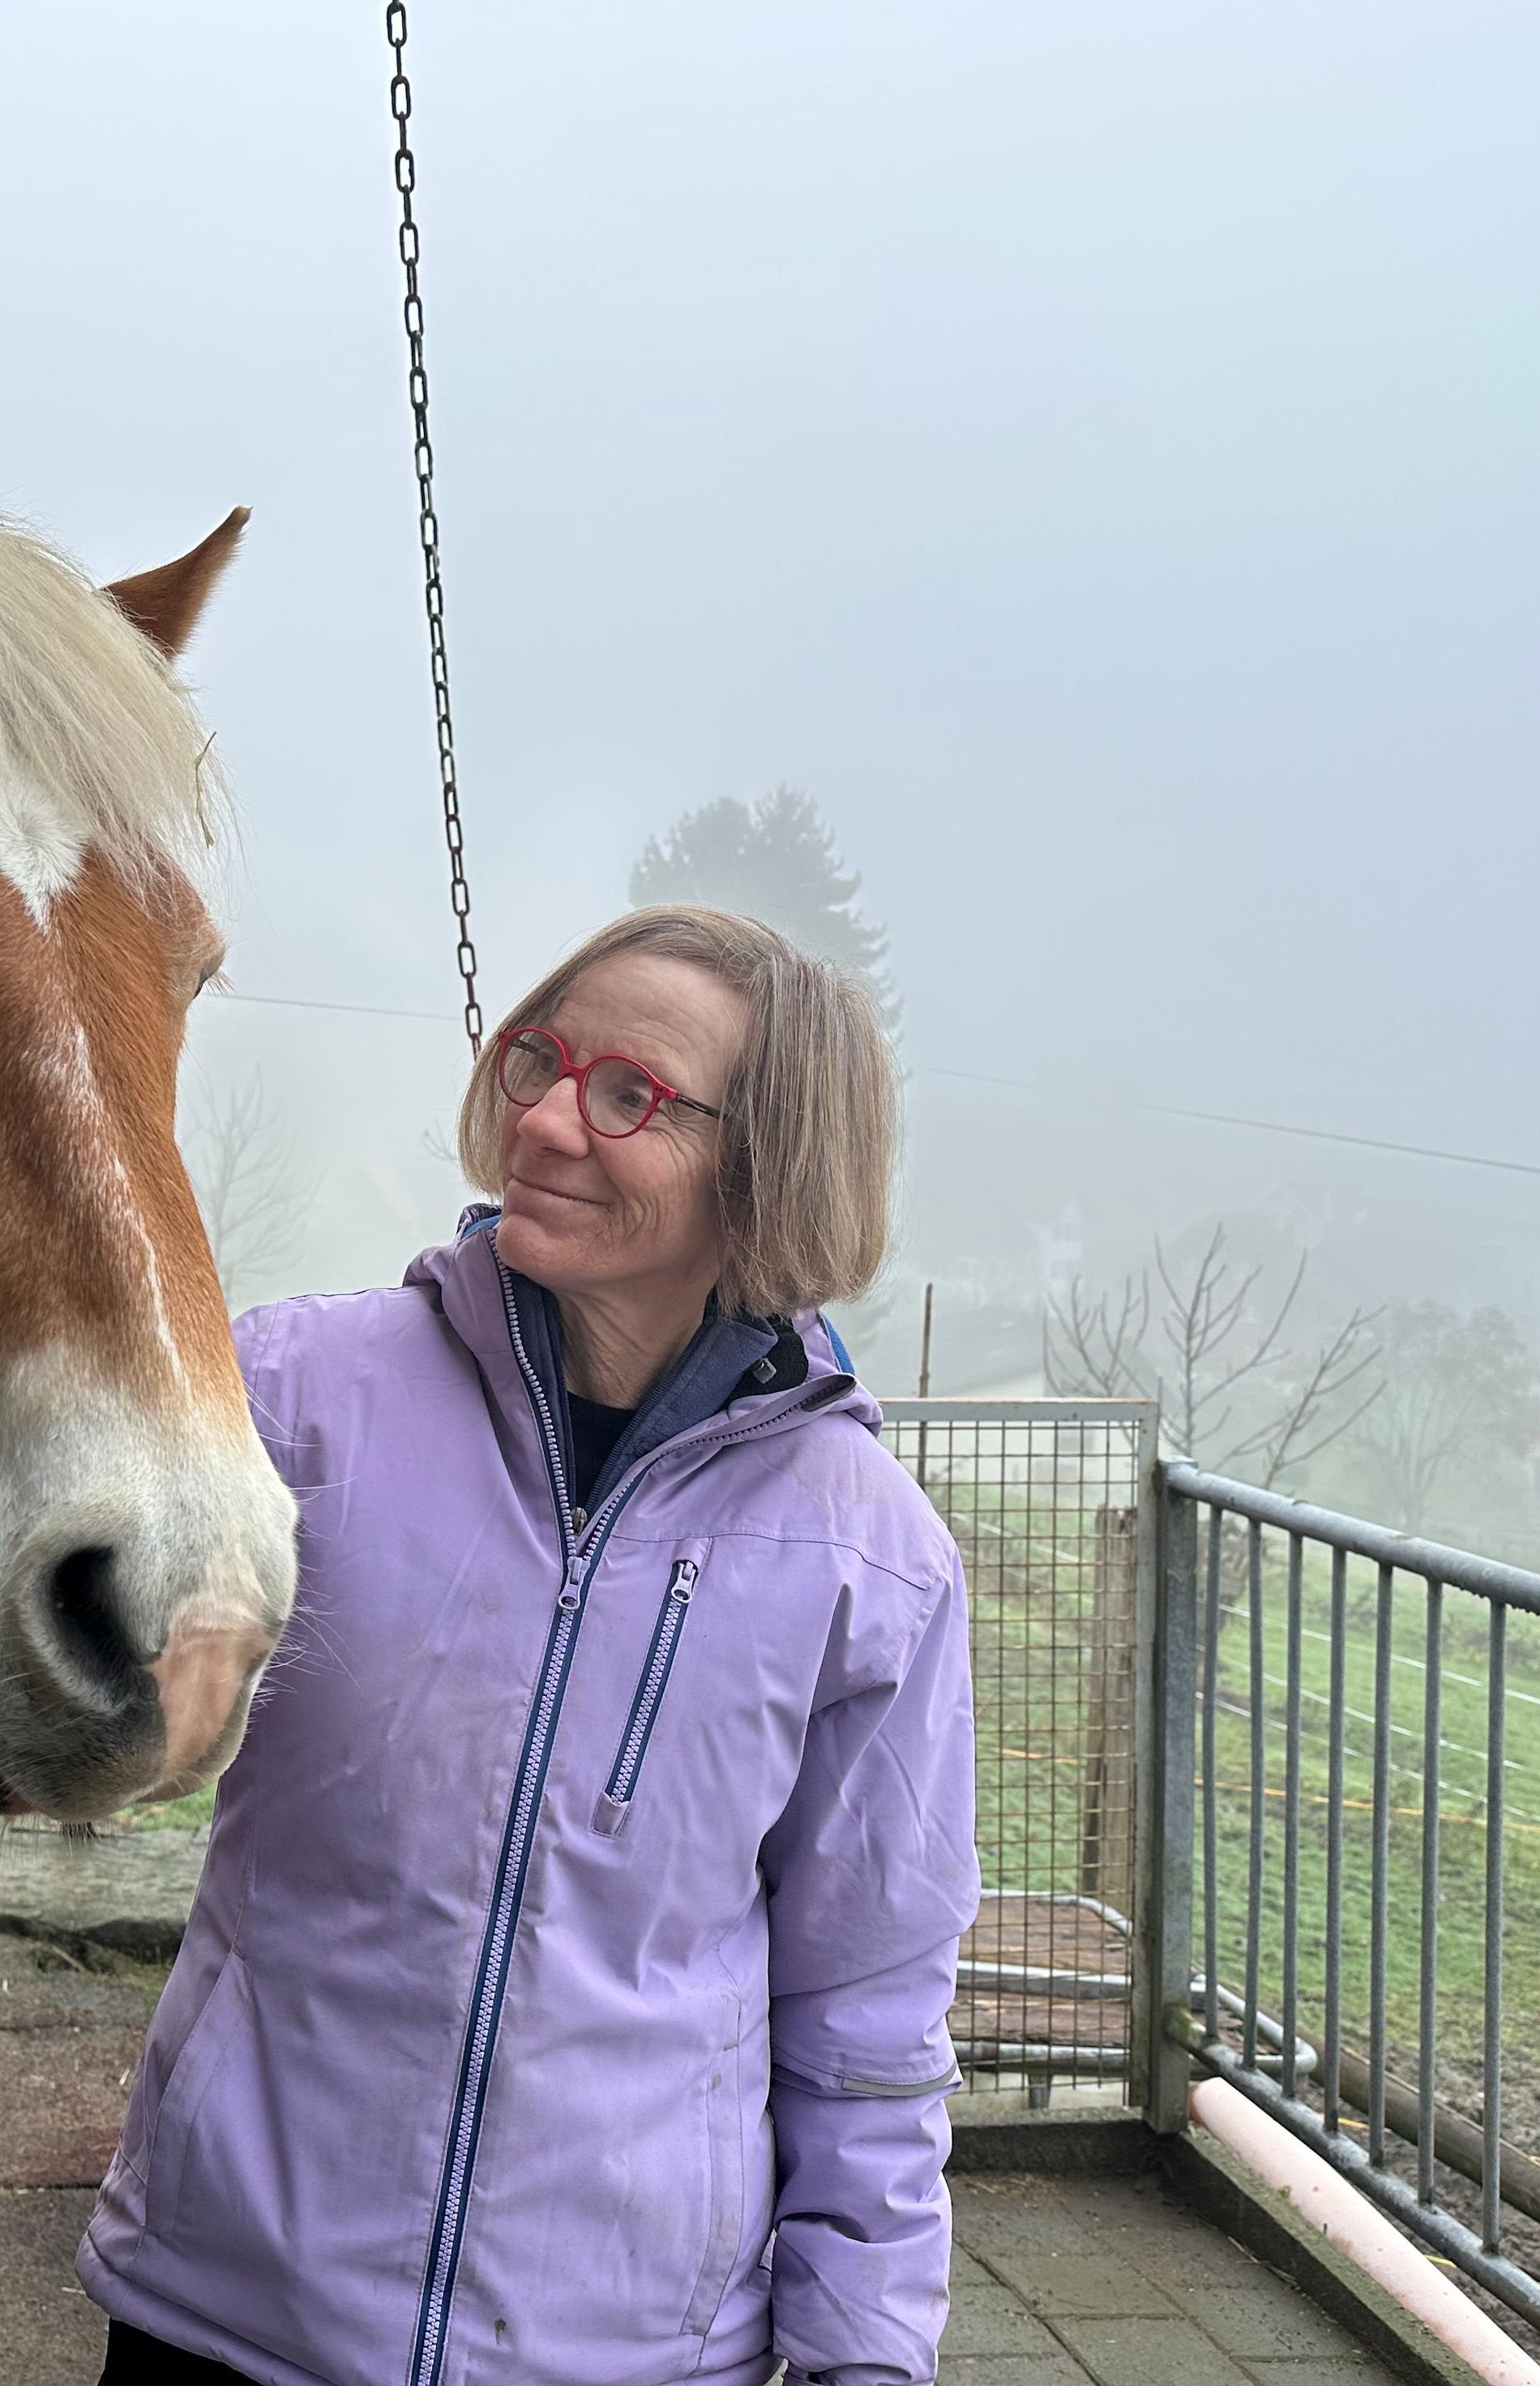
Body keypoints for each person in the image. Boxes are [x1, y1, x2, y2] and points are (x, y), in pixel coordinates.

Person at [79, 905, 979, 2386]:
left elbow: (867, 2023)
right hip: (229, 2321)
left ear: (768, 1165)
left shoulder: (867, 1560)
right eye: (540, 1061)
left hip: (628, 2354)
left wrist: (861, 2364)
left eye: (630, 1094)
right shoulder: (298, 1396)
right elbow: (26, 1656)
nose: (551, 1121)